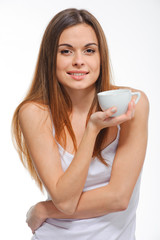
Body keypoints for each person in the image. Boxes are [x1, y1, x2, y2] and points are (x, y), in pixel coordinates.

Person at [12, 8, 149, 240]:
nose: (78, 61)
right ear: (50, 58)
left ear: (100, 56)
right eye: (66, 51)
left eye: (89, 50)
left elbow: (118, 198)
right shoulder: (34, 112)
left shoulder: (132, 102)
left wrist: (43, 209)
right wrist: (92, 129)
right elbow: (65, 200)